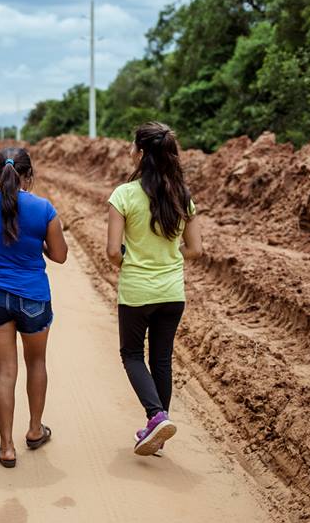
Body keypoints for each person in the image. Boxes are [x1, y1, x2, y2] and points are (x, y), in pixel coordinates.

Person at [0, 147, 68, 468]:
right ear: (30, 176)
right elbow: (60, 255)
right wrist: (39, 243)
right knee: (36, 363)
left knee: (5, 371)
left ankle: (7, 447)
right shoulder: (44, 209)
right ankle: (35, 430)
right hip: (33, 296)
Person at [106, 122, 203, 456]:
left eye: (132, 146)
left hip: (137, 292)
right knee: (161, 358)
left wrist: (133, 264)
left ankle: (155, 416)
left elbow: (112, 252)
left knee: (131, 354)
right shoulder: (182, 196)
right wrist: (169, 258)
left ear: (142, 153)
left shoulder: (123, 195)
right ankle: (158, 432)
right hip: (173, 292)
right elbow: (195, 249)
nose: (130, 151)